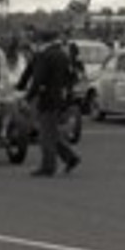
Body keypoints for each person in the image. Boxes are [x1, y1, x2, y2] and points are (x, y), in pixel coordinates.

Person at [24, 29, 79, 177]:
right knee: (52, 132)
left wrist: (28, 98)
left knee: (45, 135)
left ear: (41, 41)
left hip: (47, 97)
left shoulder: (44, 56)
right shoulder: (63, 55)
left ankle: (48, 166)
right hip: (60, 97)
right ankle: (70, 157)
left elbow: (38, 79)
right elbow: (72, 76)